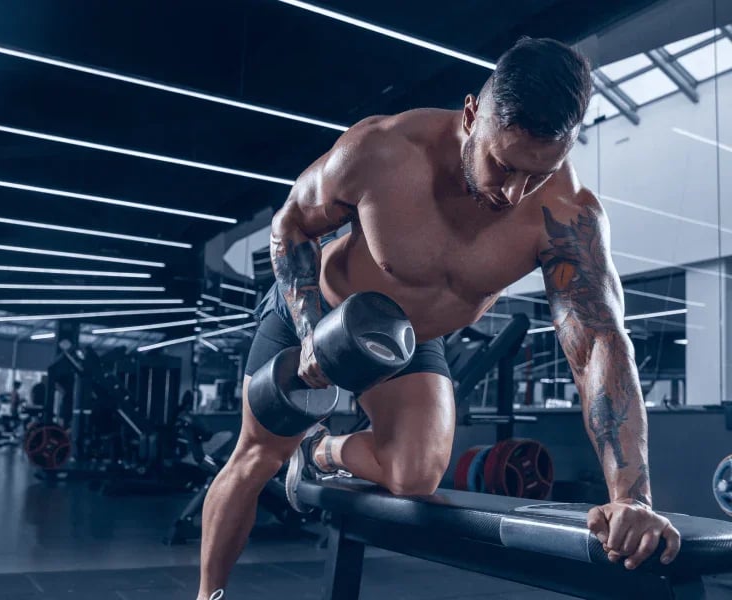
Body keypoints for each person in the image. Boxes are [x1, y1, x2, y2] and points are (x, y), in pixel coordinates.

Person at [197, 37, 681, 600]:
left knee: (416, 473)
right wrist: (310, 333)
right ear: (472, 113)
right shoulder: (382, 150)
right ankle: (208, 594)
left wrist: (631, 498)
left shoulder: (566, 216)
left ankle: (319, 453)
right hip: (321, 312)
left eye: (538, 174)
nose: (513, 191)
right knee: (256, 459)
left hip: (406, 340)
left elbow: (598, 344)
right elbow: (290, 226)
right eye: (502, 164)